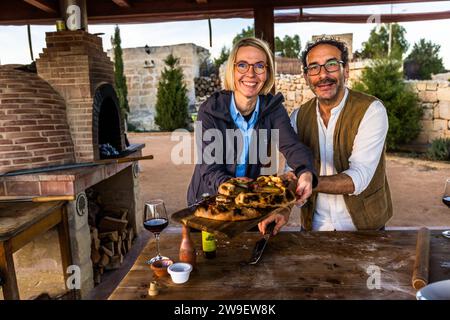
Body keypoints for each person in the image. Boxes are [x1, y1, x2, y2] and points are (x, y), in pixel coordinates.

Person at [187, 37, 317, 235]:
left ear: (267, 72)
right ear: (232, 69)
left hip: (248, 203)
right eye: (242, 65)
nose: (251, 73)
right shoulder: (210, 110)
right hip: (210, 200)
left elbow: (292, 146)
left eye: (259, 66)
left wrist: (306, 172)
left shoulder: (272, 109)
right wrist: (247, 188)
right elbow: (210, 169)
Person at [279, 37, 393, 231]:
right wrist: (284, 210)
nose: (323, 75)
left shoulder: (371, 110)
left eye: (331, 64)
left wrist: (310, 181)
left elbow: (359, 177)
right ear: (307, 77)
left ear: (345, 70)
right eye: (314, 67)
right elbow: (292, 170)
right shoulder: (298, 117)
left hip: (364, 230)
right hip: (313, 228)